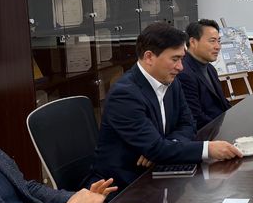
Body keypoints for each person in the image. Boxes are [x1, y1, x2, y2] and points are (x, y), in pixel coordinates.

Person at [89, 22, 241, 189]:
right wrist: (207, 149)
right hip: (124, 186)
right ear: (149, 57)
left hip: (160, 173)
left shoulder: (171, 82)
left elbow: (188, 124)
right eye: (175, 59)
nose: (181, 67)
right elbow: (156, 148)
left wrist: (164, 146)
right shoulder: (124, 95)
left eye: (182, 59)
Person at [177, 19, 231, 129]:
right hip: (207, 132)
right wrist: (224, 128)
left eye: (218, 41)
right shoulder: (184, 72)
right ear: (193, 42)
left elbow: (222, 103)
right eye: (212, 41)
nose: (218, 46)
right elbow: (196, 117)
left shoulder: (210, 68)